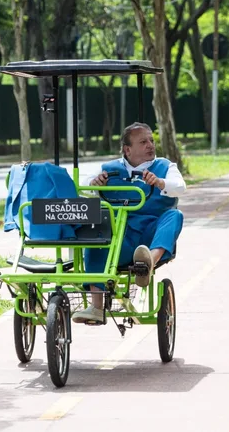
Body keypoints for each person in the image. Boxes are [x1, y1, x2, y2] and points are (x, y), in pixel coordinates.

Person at [72, 122, 186, 324]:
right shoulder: (109, 169)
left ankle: (148, 264)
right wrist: (94, 183)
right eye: (143, 142)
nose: (150, 145)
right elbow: (82, 186)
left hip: (151, 234)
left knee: (174, 215)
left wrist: (160, 182)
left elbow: (180, 187)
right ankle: (96, 307)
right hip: (121, 236)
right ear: (127, 149)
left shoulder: (165, 166)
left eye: (151, 140)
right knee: (96, 234)